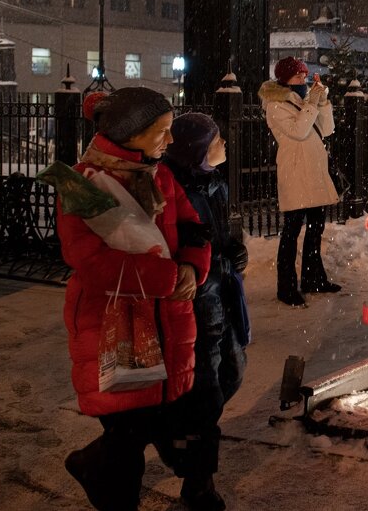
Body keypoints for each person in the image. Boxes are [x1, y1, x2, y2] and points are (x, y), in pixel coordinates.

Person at [58, 88, 222, 511]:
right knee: (128, 432)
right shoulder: (83, 184)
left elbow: (192, 225)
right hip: (115, 328)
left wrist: (192, 266)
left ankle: (198, 486)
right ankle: (108, 484)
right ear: (131, 133)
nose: (169, 142)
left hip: (171, 320)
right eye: (161, 132)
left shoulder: (159, 174)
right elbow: (91, 261)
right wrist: (168, 277)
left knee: (190, 415)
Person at [164, 113, 250, 494]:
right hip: (198, 301)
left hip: (223, 293)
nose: (225, 146)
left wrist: (234, 250)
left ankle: (185, 437)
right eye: (217, 141)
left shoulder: (214, 185)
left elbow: (218, 235)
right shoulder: (177, 191)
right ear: (197, 149)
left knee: (232, 371)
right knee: (206, 388)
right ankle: (199, 479)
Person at [259, 57, 341, 306]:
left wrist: (323, 103)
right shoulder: (276, 104)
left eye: (304, 75)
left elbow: (326, 130)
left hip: (313, 170)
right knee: (291, 231)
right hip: (295, 173)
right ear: (284, 79)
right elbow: (298, 131)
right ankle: (286, 287)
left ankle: (313, 278)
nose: (302, 80)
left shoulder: (302, 101)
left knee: (316, 228)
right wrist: (312, 103)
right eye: (297, 76)